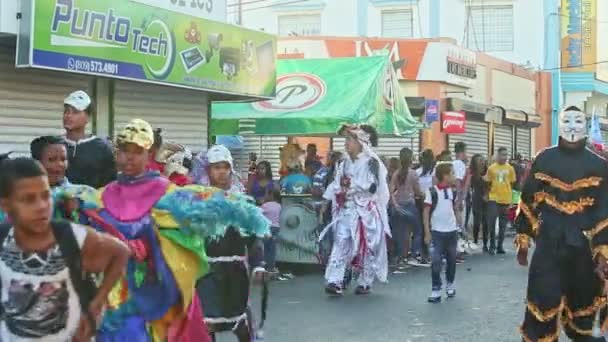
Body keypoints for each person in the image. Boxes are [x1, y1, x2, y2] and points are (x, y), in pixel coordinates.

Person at [56, 119, 269, 341]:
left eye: (137, 151)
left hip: (157, 289)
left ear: (150, 154)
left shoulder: (167, 194)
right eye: (124, 151)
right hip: (115, 293)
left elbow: (212, 208)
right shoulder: (102, 195)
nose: (129, 157)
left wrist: (148, 246)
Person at [0, 157, 130, 341]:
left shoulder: (73, 237)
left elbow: (121, 252)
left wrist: (97, 302)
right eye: (28, 200)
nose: (42, 206)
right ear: (5, 205)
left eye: (46, 196)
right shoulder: (3, 238)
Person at [516, 106, 608, 342]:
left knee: (584, 304)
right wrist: (523, 239)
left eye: (578, 122)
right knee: (543, 301)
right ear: (559, 124)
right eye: (568, 121)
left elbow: (603, 211)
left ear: (586, 125)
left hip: (584, 246)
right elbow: (528, 199)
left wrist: (603, 253)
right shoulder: (544, 158)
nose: (572, 127)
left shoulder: (599, 165)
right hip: (549, 242)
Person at [194, 144, 268, 342]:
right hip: (205, 271)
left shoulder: (242, 201)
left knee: (240, 323)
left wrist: (259, 265)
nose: (221, 172)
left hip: (235, 272)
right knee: (206, 324)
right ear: (208, 170)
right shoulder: (197, 200)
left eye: (225, 167)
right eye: (216, 167)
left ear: (231, 169)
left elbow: (254, 236)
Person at [320, 124, 390, 296]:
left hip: (366, 213)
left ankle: (365, 281)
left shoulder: (371, 163)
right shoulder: (342, 163)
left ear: (361, 142)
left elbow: (373, 187)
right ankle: (334, 281)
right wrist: (326, 203)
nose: (346, 143)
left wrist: (352, 187)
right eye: (345, 139)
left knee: (367, 247)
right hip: (346, 211)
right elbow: (335, 185)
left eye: (349, 140)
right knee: (341, 242)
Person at [424, 161, 461, 303]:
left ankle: (450, 283)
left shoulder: (453, 191)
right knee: (436, 261)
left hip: (451, 232)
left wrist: (459, 225)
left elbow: (455, 209)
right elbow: (426, 212)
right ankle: (436, 288)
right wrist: (427, 232)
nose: (454, 176)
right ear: (445, 176)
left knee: (452, 260)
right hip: (437, 232)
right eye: (452, 173)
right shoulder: (432, 191)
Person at [62, 90, 116, 188]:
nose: (68, 116)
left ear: (88, 117)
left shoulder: (101, 149)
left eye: (75, 112)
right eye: (66, 111)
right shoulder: (54, 146)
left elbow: (110, 185)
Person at [390, 147, 426, 267]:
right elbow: (418, 192)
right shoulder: (413, 173)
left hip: (398, 206)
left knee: (401, 233)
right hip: (410, 205)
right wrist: (424, 194)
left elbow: (390, 191)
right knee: (417, 231)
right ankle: (413, 254)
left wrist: (395, 204)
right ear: (411, 158)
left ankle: (401, 257)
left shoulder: (396, 173)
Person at [484, 147, 516, 255]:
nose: (504, 157)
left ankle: (500, 246)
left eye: (506, 155)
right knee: (492, 223)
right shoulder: (491, 168)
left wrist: (512, 198)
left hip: (506, 199)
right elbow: (487, 183)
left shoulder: (510, 168)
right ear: (497, 155)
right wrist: (486, 195)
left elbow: (512, 183)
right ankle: (492, 245)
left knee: (503, 225)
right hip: (493, 198)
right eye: (502, 155)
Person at [468, 154, 489, 251]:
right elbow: (470, 186)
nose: (481, 161)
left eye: (482, 160)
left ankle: (485, 244)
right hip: (477, 199)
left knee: (486, 222)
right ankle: (475, 241)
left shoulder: (488, 172)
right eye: (479, 160)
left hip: (487, 199)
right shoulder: (472, 173)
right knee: (477, 222)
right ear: (475, 162)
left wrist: (487, 194)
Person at [261, 188, 282, 276]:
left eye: (266, 194)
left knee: (265, 247)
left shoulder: (265, 205)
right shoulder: (279, 205)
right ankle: (272, 266)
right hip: (276, 228)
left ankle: (264, 265)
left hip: (267, 228)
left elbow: (259, 213)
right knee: (272, 248)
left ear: (271, 195)